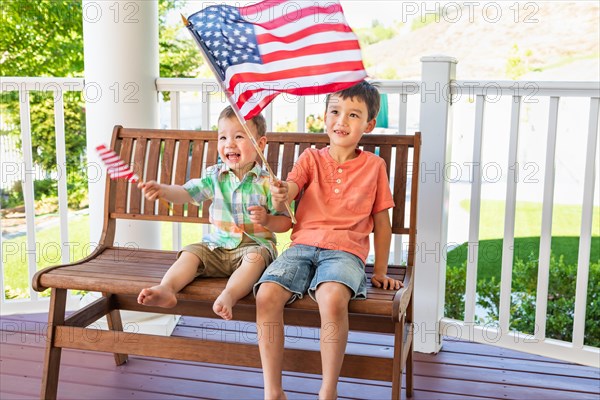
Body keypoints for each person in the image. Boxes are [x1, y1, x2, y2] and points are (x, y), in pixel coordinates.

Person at [254, 81, 402, 400]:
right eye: (335, 111)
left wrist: (380, 270)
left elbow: (381, 222)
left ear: (369, 124)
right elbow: (290, 191)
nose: (341, 121)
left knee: (332, 298)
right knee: (266, 295)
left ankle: (328, 391)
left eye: (353, 115)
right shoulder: (310, 158)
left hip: (345, 253)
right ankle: (273, 391)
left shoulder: (375, 167)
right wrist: (281, 194)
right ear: (324, 117)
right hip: (302, 247)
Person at [137, 106, 292, 320]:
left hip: (252, 247)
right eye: (223, 137)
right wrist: (163, 189)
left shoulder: (268, 183)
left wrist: (266, 220)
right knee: (191, 253)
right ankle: (167, 289)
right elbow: (186, 193)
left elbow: (285, 223)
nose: (229, 143)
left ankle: (229, 294)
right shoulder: (214, 176)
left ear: (261, 144)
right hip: (217, 245)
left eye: (239, 136)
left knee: (256, 259)